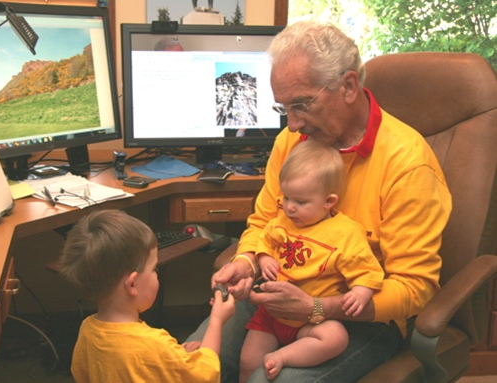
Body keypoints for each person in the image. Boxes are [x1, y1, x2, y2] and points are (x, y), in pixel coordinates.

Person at [187, 20, 452, 382]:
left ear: (348, 86)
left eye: (302, 105)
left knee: (267, 380)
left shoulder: (407, 164)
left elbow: (413, 286)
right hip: (280, 298)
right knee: (191, 363)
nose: (293, 124)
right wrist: (247, 262)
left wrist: (319, 307)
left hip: (360, 316)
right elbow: (264, 222)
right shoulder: (292, 144)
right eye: (284, 109)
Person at [239, 140, 384, 382]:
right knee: (247, 362)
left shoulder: (345, 233)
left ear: (329, 201)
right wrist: (263, 259)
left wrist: (360, 292)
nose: (289, 208)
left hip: (313, 319)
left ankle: (284, 356)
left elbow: (366, 270)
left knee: (335, 338)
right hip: (272, 313)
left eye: (301, 202)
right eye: (286, 198)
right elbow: (265, 240)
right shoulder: (282, 222)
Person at [59, 209, 235, 383]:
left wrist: (174, 357)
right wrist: (217, 320)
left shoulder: (87, 330)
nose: (156, 274)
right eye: (154, 269)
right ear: (132, 284)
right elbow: (205, 375)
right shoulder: (154, 344)